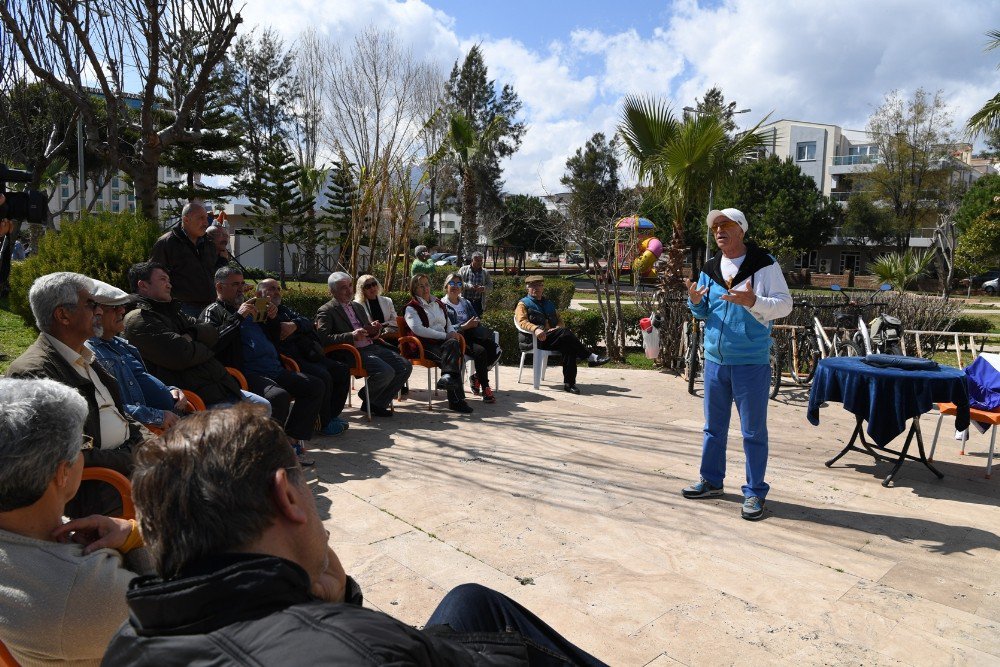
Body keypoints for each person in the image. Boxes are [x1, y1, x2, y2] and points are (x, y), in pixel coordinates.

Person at [102, 405, 607, 666]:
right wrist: (344, 618)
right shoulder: (368, 650)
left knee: (470, 600)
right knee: (499, 624)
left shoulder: (126, 642)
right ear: (289, 497)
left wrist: (338, 602)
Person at [0, 378, 153, 666]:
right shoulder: (86, 591)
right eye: (82, 445)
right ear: (62, 474)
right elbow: (186, 612)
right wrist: (136, 537)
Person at [682, 208, 792, 521]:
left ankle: (755, 492)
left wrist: (753, 301)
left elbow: (785, 305)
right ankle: (711, 481)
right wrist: (695, 301)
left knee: (753, 431)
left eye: (725, 225)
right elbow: (704, 314)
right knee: (713, 429)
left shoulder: (764, 264)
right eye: (715, 226)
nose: (719, 230)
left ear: (741, 229)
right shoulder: (710, 267)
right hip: (716, 361)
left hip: (750, 362)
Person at [6, 272, 144, 518]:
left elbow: (119, 415)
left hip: (124, 473)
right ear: (63, 315)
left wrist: (149, 443)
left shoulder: (84, 356)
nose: (100, 310)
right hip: (98, 492)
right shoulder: (35, 374)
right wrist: (135, 456)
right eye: (91, 304)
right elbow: (69, 456)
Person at [201, 267, 324, 466]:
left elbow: (276, 337)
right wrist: (238, 317)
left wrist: (273, 318)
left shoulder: (253, 308)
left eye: (242, 284)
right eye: (235, 284)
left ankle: (290, 441)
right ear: (219, 287)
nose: (241, 289)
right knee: (278, 397)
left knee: (314, 385)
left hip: (273, 367)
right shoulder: (212, 312)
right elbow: (212, 344)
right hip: (244, 373)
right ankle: (268, 453)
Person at [122, 261, 271, 413]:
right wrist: (205, 346)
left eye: (168, 280)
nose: (169, 285)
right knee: (252, 419)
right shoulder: (139, 320)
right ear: (143, 285)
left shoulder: (174, 312)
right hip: (195, 399)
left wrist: (190, 335)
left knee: (264, 406)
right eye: (162, 280)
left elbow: (211, 332)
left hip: (220, 388)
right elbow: (181, 355)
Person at [86, 279, 192, 430]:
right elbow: (109, 409)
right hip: (151, 432)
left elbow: (140, 382)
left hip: (172, 420)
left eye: (122, 306)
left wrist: (171, 391)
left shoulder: (120, 344)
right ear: (96, 313)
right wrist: (157, 416)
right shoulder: (90, 352)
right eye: (114, 307)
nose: (122, 310)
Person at [258, 278, 351, 437]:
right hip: (289, 358)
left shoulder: (285, 309)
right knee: (323, 376)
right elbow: (271, 335)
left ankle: (331, 415)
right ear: (259, 293)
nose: (276, 292)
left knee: (341, 369)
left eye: (278, 289)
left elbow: (307, 321)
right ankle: (322, 423)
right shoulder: (260, 311)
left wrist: (294, 325)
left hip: (307, 353)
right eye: (271, 289)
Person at [316, 272, 411, 418]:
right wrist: (351, 335)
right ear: (333, 291)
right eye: (343, 288)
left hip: (370, 346)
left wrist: (373, 329)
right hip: (351, 351)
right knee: (386, 372)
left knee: (405, 366)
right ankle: (368, 397)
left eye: (350, 285)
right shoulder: (327, 310)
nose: (349, 290)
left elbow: (365, 329)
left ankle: (375, 402)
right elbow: (323, 338)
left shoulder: (356, 306)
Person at [514, 275, 609, 394]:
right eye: (532, 286)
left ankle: (569, 384)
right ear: (527, 288)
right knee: (565, 334)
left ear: (543, 287)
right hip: (534, 340)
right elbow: (521, 322)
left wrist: (558, 327)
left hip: (552, 337)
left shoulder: (548, 303)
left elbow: (560, 320)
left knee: (568, 345)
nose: (536, 288)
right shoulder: (523, 304)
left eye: (539, 285)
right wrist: (535, 329)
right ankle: (590, 357)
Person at [403, 273, 473, 413]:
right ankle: (456, 401)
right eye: (420, 286)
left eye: (427, 284)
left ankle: (447, 378)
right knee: (453, 357)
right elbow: (419, 330)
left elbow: (448, 323)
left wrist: (452, 334)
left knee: (453, 346)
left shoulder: (438, 303)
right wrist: (445, 336)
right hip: (423, 344)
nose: (425, 288)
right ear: (414, 289)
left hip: (443, 342)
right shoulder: (411, 308)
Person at [150, 201, 218, 318]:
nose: (206, 223)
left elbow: (214, 270)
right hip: (182, 309)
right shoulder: (166, 243)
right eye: (201, 218)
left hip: (210, 307)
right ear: (186, 220)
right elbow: (154, 276)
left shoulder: (208, 243)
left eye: (206, 218)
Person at [442, 272, 499, 404]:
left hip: (472, 335)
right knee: (480, 352)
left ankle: (476, 377)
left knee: (495, 349)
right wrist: (464, 326)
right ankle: (485, 387)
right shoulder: (443, 305)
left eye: (458, 284)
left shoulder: (465, 302)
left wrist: (475, 321)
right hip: (458, 339)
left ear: (462, 287)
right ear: (446, 286)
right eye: (452, 283)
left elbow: (475, 318)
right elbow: (446, 328)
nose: (455, 286)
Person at [458, 251, 492, 316]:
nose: (479, 262)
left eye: (480, 260)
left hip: (478, 303)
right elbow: (459, 283)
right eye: (477, 260)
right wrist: (469, 287)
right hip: (464, 301)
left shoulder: (485, 272)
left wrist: (483, 288)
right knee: (465, 320)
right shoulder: (463, 269)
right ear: (472, 260)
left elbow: (490, 286)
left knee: (477, 322)